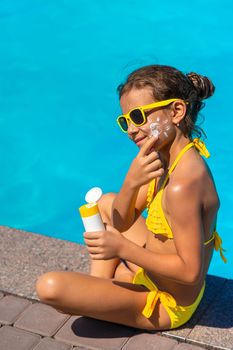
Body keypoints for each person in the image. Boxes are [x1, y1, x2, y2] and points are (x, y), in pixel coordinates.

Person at [36, 65, 226, 331]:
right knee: (105, 202)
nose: (131, 130)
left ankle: (107, 291)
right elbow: (120, 222)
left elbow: (191, 272)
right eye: (126, 120)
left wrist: (122, 250)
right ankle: (106, 288)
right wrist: (131, 180)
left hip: (168, 303)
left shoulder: (183, 186)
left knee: (50, 287)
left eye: (138, 116)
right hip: (155, 276)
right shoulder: (162, 157)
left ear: (176, 112)